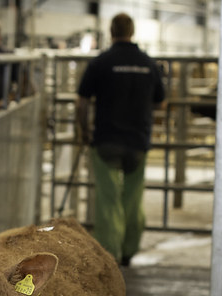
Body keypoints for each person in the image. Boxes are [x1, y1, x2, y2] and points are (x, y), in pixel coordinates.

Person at [76, 13, 165, 266]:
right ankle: (129, 250)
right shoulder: (148, 64)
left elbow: (82, 102)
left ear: (111, 31)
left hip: (106, 141)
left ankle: (109, 253)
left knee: (108, 200)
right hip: (138, 141)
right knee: (133, 199)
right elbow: (161, 102)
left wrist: (84, 132)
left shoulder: (101, 62)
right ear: (132, 31)